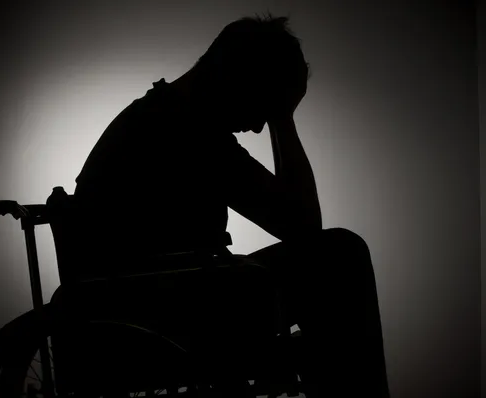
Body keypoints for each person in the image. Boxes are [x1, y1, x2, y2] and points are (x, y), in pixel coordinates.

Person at [73, 13, 390, 398]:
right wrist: (283, 121)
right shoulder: (185, 133)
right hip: (167, 310)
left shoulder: (162, 117)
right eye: (264, 104)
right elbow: (303, 225)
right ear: (238, 77)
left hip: (156, 299)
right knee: (341, 255)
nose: (257, 126)